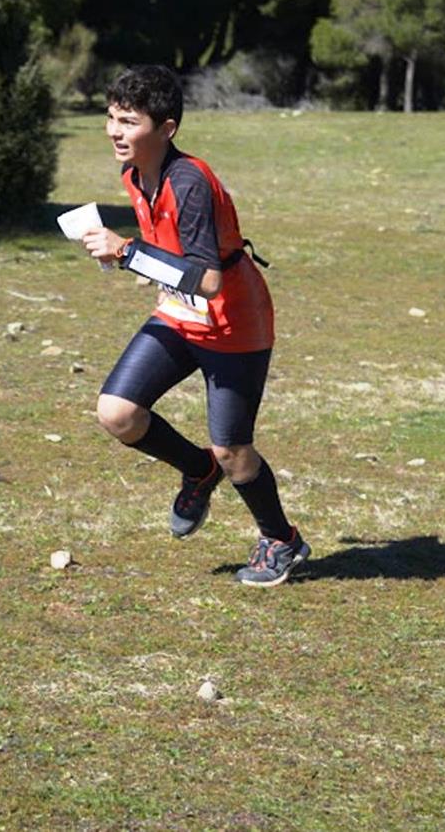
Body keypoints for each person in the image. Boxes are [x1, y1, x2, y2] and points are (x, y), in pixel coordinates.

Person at [78, 64, 309, 587]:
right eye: (112, 118)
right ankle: (196, 469)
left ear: (167, 129)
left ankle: (282, 540)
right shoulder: (135, 175)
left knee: (234, 450)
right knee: (117, 413)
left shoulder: (191, 182)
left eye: (130, 121)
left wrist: (129, 252)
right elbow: (175, 259)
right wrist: (141, 259)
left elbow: (208, 281)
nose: (116, 131)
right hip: (180, 316)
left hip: (234, 324)